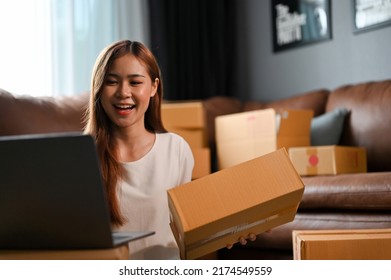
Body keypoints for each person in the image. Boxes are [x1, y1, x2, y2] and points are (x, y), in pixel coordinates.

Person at [84, 39, 255, 260]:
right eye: (111, 82)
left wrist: (232, 231)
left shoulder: (176, 149)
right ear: (98, 87)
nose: (123, 92)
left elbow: (191, 231)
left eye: (135, 82)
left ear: (154, 87)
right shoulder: (83, 157)